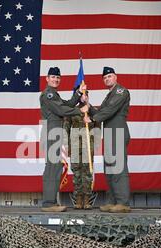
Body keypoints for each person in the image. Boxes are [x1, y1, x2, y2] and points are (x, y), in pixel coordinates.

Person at [40, 67, 88, 212]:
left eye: (58, 78)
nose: (56, 79)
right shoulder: (48, 94)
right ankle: (49, 203)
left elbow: (65, 105)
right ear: (47, 79)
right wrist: (79, 110)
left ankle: (51, 202)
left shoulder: (54, 94)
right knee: (52, 167)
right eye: (53, 77)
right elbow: (61, 110)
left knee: (56, 166)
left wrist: (78, 93)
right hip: (52, 129)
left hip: (56, 129)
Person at [84, 67, 131, 213]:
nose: (107, 79)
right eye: (105, 78)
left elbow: (109, 110)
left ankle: (123, 202)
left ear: (115, 77)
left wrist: (91, 118)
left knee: (118, 167)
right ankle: (112, 201)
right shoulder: (109, 95)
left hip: (118, 130)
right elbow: (101, 112)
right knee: (110, 167)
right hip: (110, 131)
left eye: (109, 76)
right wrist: (88, 105)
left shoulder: (120, 91)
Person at [63, 94, 99, 210]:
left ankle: (87, 198)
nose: (83, 98)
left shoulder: (93, 111)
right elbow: (66, 128)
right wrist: (67, 145)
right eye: (81, 95)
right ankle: (78, 198)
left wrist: (95, 144)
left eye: (85, 95)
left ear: (87, 96)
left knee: (87, 172)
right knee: (77, 171)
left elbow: (98, 126)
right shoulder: (72, 111)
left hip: (88, 145)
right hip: (75, 145)